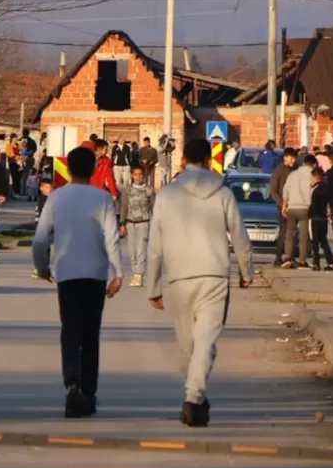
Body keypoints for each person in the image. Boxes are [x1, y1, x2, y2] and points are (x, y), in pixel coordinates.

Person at [147, 134, 253, 428]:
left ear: (182, 161)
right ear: (209, 160)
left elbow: (155, 245)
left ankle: (194, 395)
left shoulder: (167, 195)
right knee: (205, 339)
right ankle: (194, 397)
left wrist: (152, 286)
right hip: (215, 274)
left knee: (187, 345)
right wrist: (246, 271)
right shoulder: (223, 193)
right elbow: (239, 236)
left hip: (179, 277)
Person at [31, 145, 123, 419]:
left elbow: (40, 239)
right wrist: (118, 272)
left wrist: (42, 267)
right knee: (91, 334)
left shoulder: (57, 198)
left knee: (70, 331)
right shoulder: (103, 199)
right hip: (95, 274)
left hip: (67, 273)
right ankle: (89, 392)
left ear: (67, 169)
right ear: (94, 169)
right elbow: (111, 239)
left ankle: (72, 385)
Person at [118, 161, 155, 287]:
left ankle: (139, 274)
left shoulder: (149, 190)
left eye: (140, 175)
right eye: (135, 174)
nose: (138, 177)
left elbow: (154, 207)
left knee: (141, 249)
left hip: (143, 223)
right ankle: (134, 273)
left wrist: (155, 223)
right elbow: (123, 207)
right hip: (129, 223)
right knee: (131, 250)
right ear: (132, 175)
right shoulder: (127, 190)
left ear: (143, 176)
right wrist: (122, 223)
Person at [281, 153, 313, 269]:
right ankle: (302, 261)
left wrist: (284, 206)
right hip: (305, 208)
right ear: (313, 164)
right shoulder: (312, 175)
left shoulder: (293, 174)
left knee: (290, 234)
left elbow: (286, 190)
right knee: (303, 236)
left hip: (292, 207)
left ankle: (288, 258)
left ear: (303, 163)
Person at [268, 147, 296, 267]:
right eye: (291, 158)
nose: (293, 160)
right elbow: (273, 191)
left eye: (294, 158)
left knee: (293, 233)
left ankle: (290, 257)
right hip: (282, 207)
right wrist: (282, 205)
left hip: (295, 205)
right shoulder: (278, 171)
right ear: (285, 157)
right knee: (283, 232)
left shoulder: (296, 170)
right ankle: (278, 257)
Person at [309, 165, 333, 271]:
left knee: (314, 241)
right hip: (323, 217)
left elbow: (311, 203)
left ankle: (316, 262)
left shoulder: (315, 189)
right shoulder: (326, 188)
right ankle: (330, 262)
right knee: (323, 241)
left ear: (315, 178)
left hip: (314, 217)